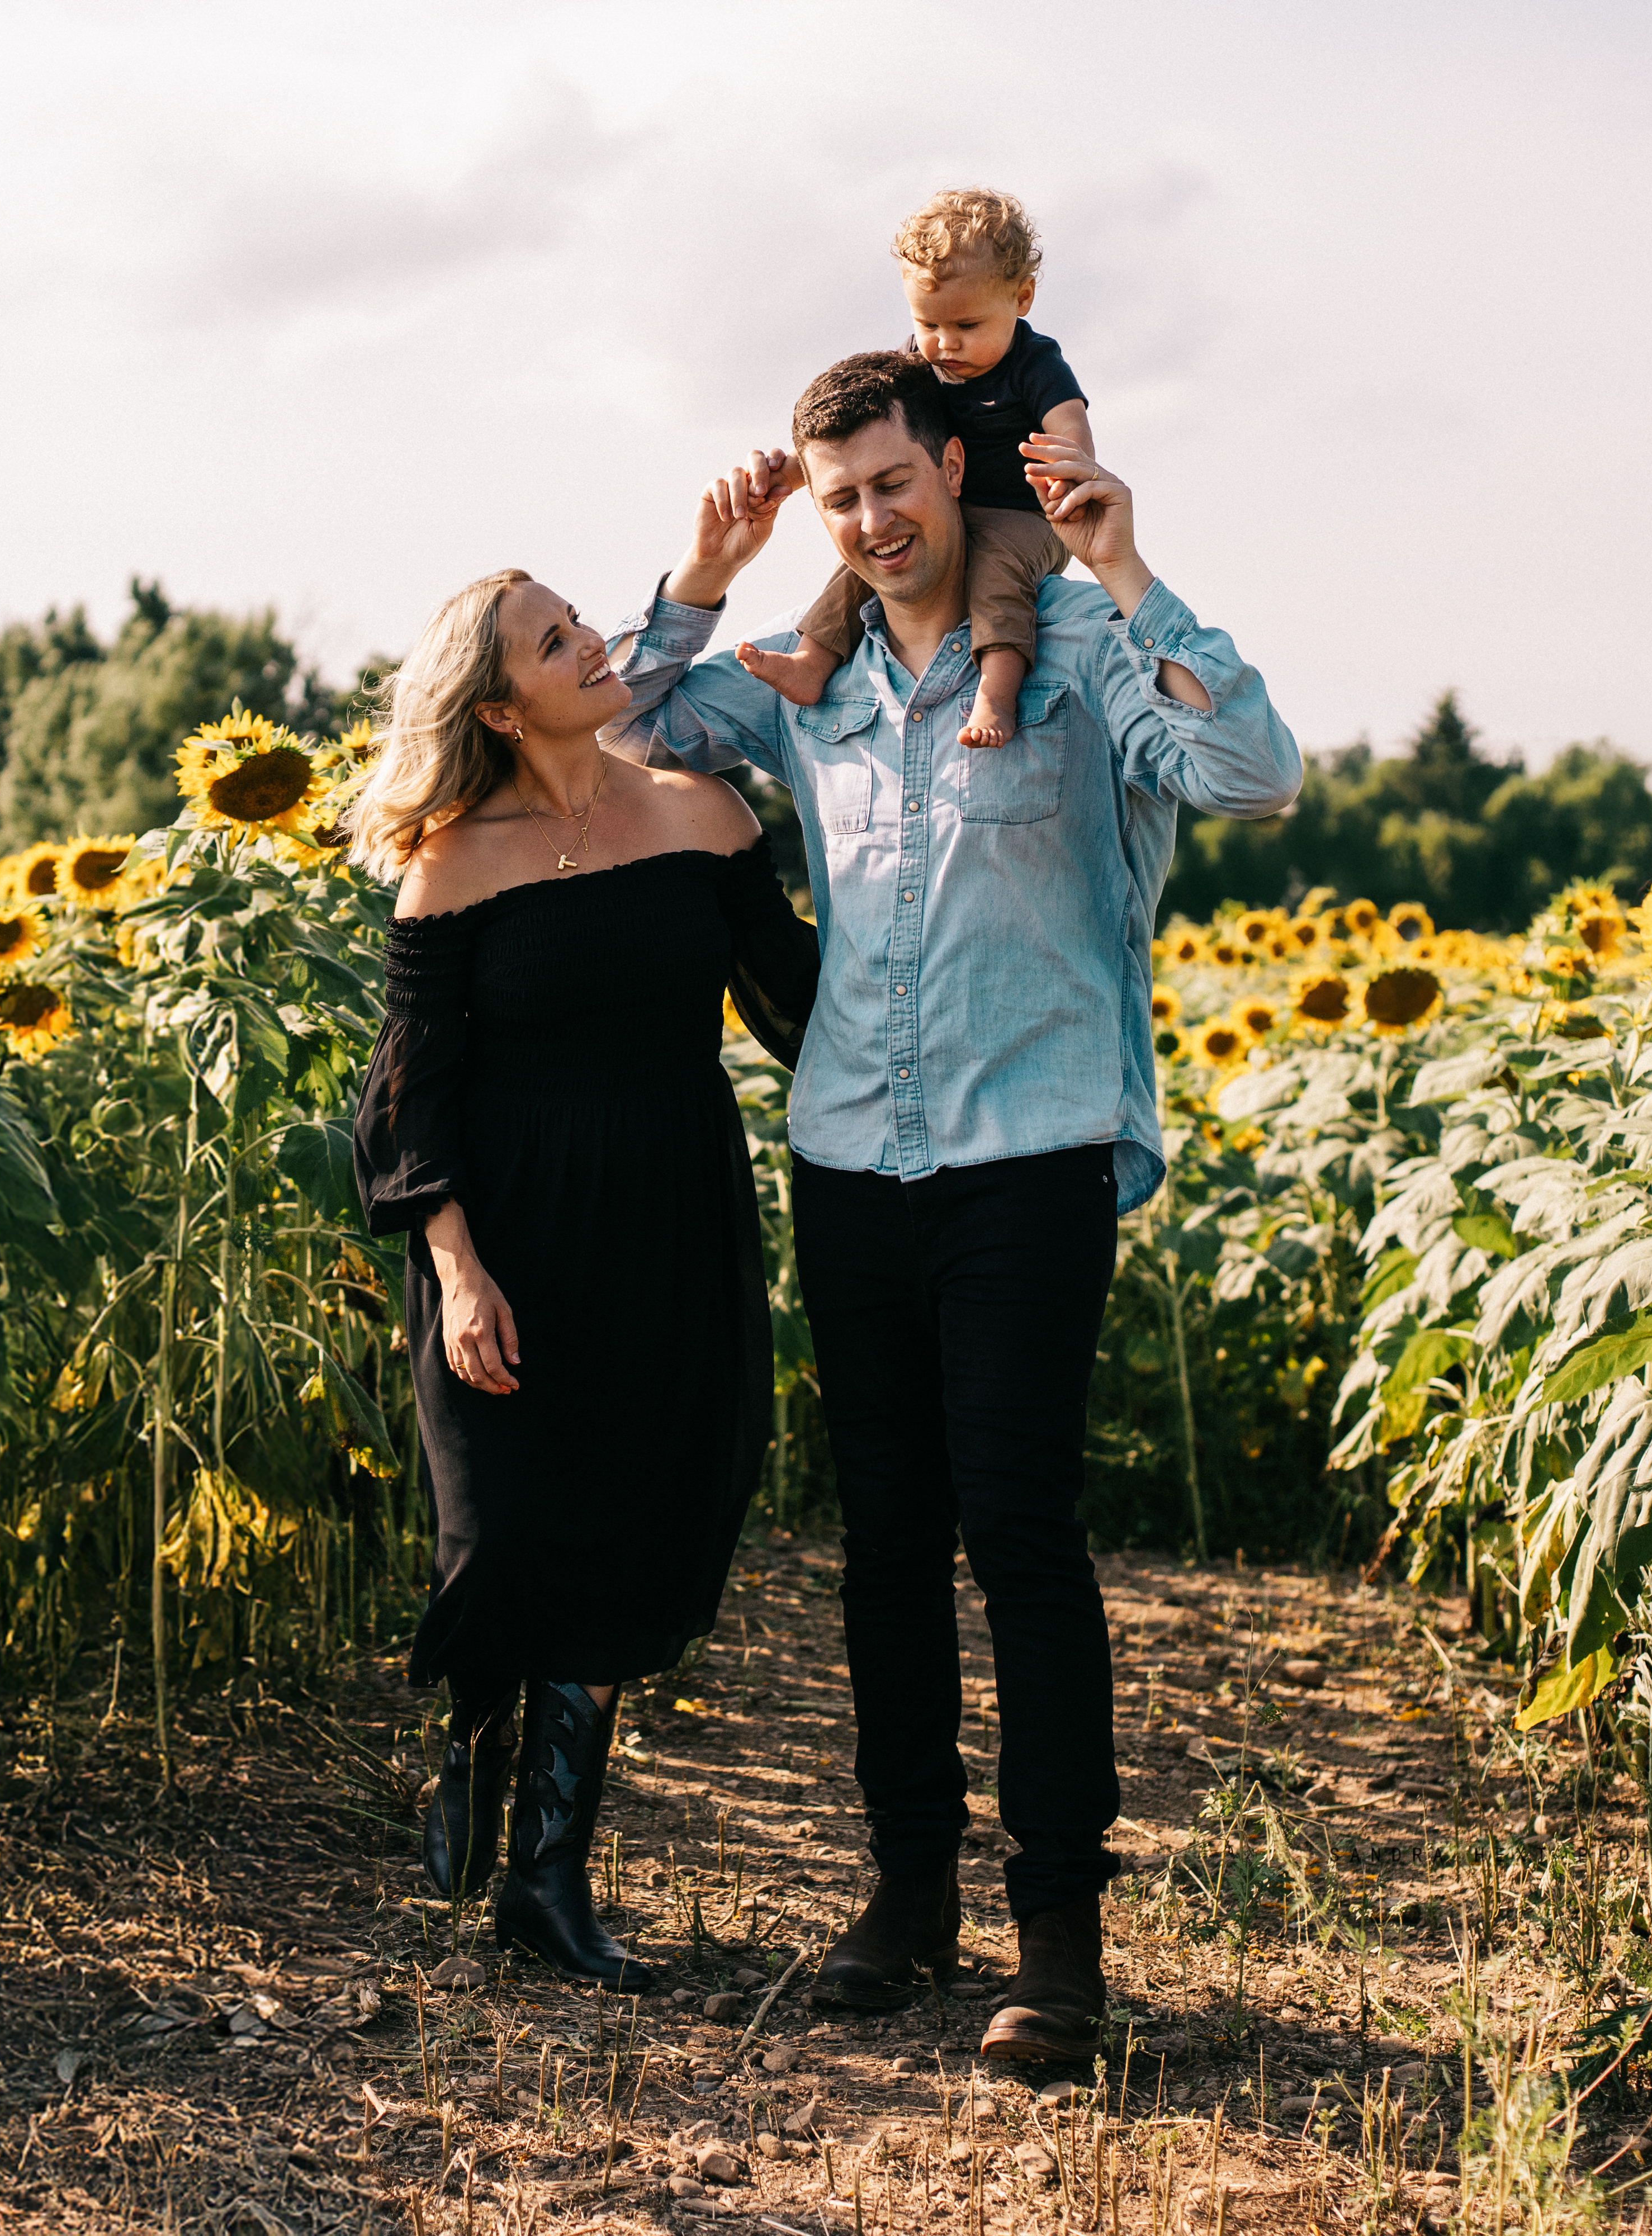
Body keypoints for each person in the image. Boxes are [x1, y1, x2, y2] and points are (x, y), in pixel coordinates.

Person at [606, 350, 1301, 2060]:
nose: (869, 520)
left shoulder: (1069, 653)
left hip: (1029, 1148)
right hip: (852, 1151)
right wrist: (704, 574)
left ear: (947, 470)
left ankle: (1053, 1940)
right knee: (887, 1549)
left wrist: (1127, 563)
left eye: (890, 483)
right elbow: (622, 726)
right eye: (837, 497)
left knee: (1019, 1533)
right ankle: (905, 1893)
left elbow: (1251, 775)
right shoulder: (801, 674)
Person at [347, 567, 821, 1992]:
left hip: (672, 1220)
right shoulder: (452, 860)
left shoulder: (704, 811)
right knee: (505, 1534)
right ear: (499, 705)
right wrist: (457, 1268)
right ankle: (475, 1735)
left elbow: (804, 1010)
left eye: (581, 621)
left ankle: (548, 1879)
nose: (595, 645)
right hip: (503, 1239)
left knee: (634, 1523)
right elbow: (410, 1097)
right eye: (557, 643)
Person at [739, 188, 1096, 753]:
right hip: (949, 510)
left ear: (1022, 298)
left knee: (997, 578)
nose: (945, 343)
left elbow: (1068, 420)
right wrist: (796, 474)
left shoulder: (1035, 361)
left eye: (968, 326)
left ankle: (998, 694)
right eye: (928, 324)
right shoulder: (921, 361)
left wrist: (1070, 474)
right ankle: (812, 660)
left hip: (1026, 516)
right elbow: (872, 440)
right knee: (860, 564)